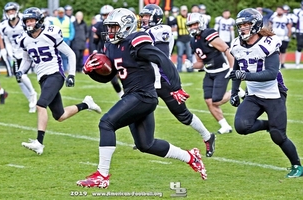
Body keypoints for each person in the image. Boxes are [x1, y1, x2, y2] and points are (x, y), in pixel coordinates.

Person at [77, 8, 207, 189]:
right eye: (109, 27)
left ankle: (102, 175)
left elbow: (163, 59)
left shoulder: (136, 41)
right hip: (134, 96)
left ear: (126, 26)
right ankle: (191, 157)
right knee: (146, 144)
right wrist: (92, 72)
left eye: (114, 27)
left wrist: (176, 87)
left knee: (106, 123)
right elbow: (110, 76)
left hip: (144, 95)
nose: (110, 31)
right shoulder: (111, 45)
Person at [228, 8, 303, 178]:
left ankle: (297, 165)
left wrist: (245, 75)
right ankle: (268, 125)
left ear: (255, 25)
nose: (243, 28)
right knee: (241, 127)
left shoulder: (268, 43)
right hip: (253, 94)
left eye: (247, 24)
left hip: (274, 93)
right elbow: (236, 69)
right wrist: (234, 92)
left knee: (278, 136)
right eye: (241, 25)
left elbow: (271, 72)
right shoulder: (236, 45)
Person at [16, 7, 102, 155]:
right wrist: (20, 71)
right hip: (42, 78)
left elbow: (70, 54)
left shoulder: (50, 34)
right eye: (27, 21)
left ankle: (39, 142)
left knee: (40, 104)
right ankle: (86, 104)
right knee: (60, 116)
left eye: (31, 20)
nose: (29, 23)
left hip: (55, 74)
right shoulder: (24, 40)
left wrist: (71, 75)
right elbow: (26, 59)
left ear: (39, 21)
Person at [139, 4, 215, 157]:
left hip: (165, 80)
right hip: (149, 81)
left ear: (156, 17)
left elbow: (157, 54)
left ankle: (208, 136)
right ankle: (144, 140)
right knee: (140, 107)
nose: (143, 19)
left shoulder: (162, 30)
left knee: (183, 115)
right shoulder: (144, 32)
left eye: (147, 16)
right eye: (143, 16)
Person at [186, 13, 235, 134]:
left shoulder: (208, 34)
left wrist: (232, 67)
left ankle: (236, 92)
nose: (193, 27)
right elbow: (200, 63)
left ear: (201, 23)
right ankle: (225, 125)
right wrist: (191, 65)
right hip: (209, 72)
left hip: (221, 70)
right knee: (209, 101)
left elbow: (226, 49)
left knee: (216, 101)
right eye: (190, 25)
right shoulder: (193, 41)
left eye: (195, 24)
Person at [0, 2, 38, 113]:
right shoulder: (3, 26)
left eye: (12, 10)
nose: (11, 13)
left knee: (28, 74)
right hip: (16, 52)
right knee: (19, 79)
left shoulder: (24, 21)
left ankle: (33, 94)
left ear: (16, 11)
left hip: (27, 51)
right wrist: (8, 51)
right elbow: (6, 40)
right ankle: (31, 98)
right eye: (8, 11)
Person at [92, 5, 124, 98]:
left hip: (120, 53)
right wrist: (94, 50)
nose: (106, 17)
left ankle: (128, 93)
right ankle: (121, 95)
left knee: (124, 76)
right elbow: (95, 41)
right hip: (107, 54)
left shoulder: (119, 24)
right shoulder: (99, 25)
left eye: (107, 14)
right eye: (104, 15)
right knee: (113, 79)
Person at [50, 7, 75, 75]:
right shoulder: (54, 20)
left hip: (66, 39)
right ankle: (58, 69)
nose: (61, 14)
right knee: (57, 55)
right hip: (56, 40)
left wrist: (70, 38)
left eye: (62, 13)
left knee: (65, 55)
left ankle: (65, 69)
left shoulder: (68, 19)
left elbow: (71, 29)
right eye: (59, 13)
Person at [175, 5, 193, 73]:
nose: (184, 12)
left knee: (189, 55)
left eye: (185, 11)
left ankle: (190, 68)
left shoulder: (190, 17)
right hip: (180, 39)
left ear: (187, 11)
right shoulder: (178, 18)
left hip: (188, 38)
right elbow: (170, 23)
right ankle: (179, 69)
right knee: (180, 55)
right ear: (180, 11)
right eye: (183, 11)